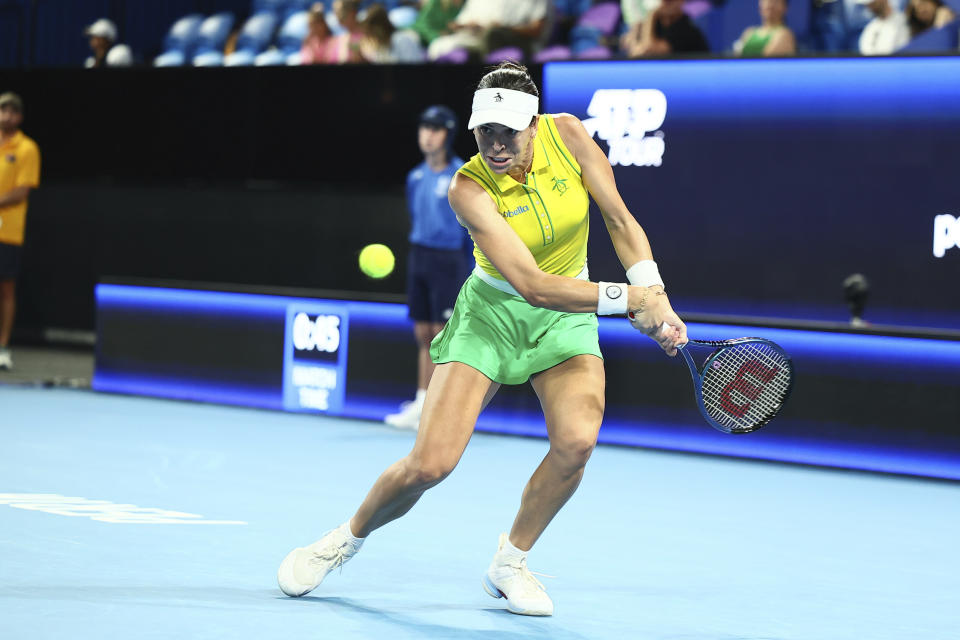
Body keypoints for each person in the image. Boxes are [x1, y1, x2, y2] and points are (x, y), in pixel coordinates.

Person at [278, 62, 687, 616]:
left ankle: (510, 562)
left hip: (565, 321)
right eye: (484, 131)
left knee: (577, 443)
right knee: (430, 465)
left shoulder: (569, 134)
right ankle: (343, 540)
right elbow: (532, 285)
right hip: (491, 316)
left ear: (534, 122)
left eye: (508, 132)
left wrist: (652, 289)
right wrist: (629, 301)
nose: (495, 144)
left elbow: (618, 219)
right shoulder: (466, 188)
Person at [384, 105, 468, 430]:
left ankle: (441, 407)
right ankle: (422, 401)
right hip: (420, 257)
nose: (428, 135)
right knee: (423, 333)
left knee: (442, 336)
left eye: (436, 129)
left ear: (447, 135)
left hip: (450, 260)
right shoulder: (415, 177)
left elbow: (470, 228)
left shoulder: (461, 175)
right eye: (424, 128)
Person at [0, 93, 41, 371]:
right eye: (2, 109)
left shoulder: (27, 148)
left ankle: (2, 347)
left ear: (20, 117)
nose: (7, 115)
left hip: (8, 230)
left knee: (6, 289)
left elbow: (22, 190)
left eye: (13, 111)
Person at [427, 0, 551, 61]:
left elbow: (536, 30)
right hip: (483, 36)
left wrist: (500, 27)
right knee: (439, 44)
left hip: (522, 42)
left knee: (493, 34)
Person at [623, 0, 710, 57]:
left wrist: (652, 15)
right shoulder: (657, 23)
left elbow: (650, 50)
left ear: (682, 2)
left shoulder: (686, 27)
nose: (665, 3)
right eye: (664, 1)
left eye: (670, 1)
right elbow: (634, 52)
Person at [358, 3, 426, 63]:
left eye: (370, 30)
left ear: (378, 27)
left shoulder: (402, 40)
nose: (368, 35)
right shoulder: (381, 48)